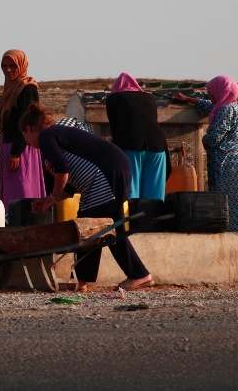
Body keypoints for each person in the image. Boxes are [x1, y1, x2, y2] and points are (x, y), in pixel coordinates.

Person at [23, 103, 153, 291]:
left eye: (24, 136)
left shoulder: (46, 136)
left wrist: (51, 197)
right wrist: (48, 201)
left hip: (106, 173)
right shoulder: (55, 137)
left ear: (28, 129)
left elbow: (62, 172)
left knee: (105, 226)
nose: (27, 142)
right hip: (106, 173)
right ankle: (83, 281)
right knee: (89, 227)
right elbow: (70, 186)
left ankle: (139, 274)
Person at [176, 76, 238, 232]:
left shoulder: (225, 110)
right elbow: (212, 107)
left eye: (212, 92)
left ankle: (228, 239)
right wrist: (191, 100)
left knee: (225, 205)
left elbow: (213, 138)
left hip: (228, 166)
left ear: (221, 92)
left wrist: (202, 139)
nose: (210, 96)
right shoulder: (235, 107)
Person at [105, 72, 169, 201]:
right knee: (154, 194)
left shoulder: (113, 99)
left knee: (131, 191)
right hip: (158, 146)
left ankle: (132, 220)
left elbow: (115, 127)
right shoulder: (150, 98)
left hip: (130, 147)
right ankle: (152, 220)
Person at [0, 49, 46, 204]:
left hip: (23, 150)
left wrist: (16, 152)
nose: (8, 70)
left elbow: (27, 122)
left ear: (22, 66)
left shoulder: (27, 88)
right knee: (10, 195)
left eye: (13, 65)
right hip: (9, 149)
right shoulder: (10, 90)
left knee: (22, 192)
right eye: (4, 66)